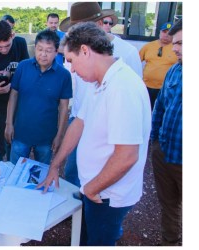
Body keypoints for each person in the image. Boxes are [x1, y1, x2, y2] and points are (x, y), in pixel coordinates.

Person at [37, 22, 151, 246]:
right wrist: (55, 165)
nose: (71, 69)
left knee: (99, 241)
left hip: (107, 194)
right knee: (85, 237)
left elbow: (127, 156)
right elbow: (79, 123)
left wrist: (91, 188)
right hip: (96, 188)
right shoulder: (99, 82)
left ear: (86, 51)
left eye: (71, 60)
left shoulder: (122, 88)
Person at [60, 2, 143, 188]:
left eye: (78, 29)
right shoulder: (76, 49)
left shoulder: (128, 54)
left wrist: (93, 189)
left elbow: (130, 107)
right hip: (80, 117)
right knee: (74, 172)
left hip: (108, 131)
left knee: (100, 179)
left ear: (97, 24)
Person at [5, 30, 72, 164]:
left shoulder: (64, 75)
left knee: (41, 175)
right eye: (40, 49)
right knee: (14, 172)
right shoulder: (23, 66)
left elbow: (64, 107)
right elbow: (13, 95)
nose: (43, 54)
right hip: (20, 133)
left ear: (56, 51)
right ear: (35, 48)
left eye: (48, 50)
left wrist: (59, 135)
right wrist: (8, 124)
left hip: (46, 137)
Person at [150, 19, 182, 246]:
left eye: (181, 43)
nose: (175, 48)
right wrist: (155, 143)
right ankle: (170, 241)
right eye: (175, 42)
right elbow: (160, 107)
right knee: (169, 205)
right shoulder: (175, 71)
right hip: (165, 154)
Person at [0, 20, 29, 162]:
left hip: (18, 104)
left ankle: (12, 175)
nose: (4, 50)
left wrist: (12, 80)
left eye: (7, 45)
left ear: (13, 36)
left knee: (15, 143)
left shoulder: (20, 43)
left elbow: (27, 69)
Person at [139, 21, 178, 110]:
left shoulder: (176, 49)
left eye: (170, 33)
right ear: (160, 32)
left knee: (160, 112)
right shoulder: (148, 46)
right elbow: (136, 61)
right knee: (144, 110)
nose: (166, 35)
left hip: (165, 89)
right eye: (164, 32)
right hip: (146, 87)